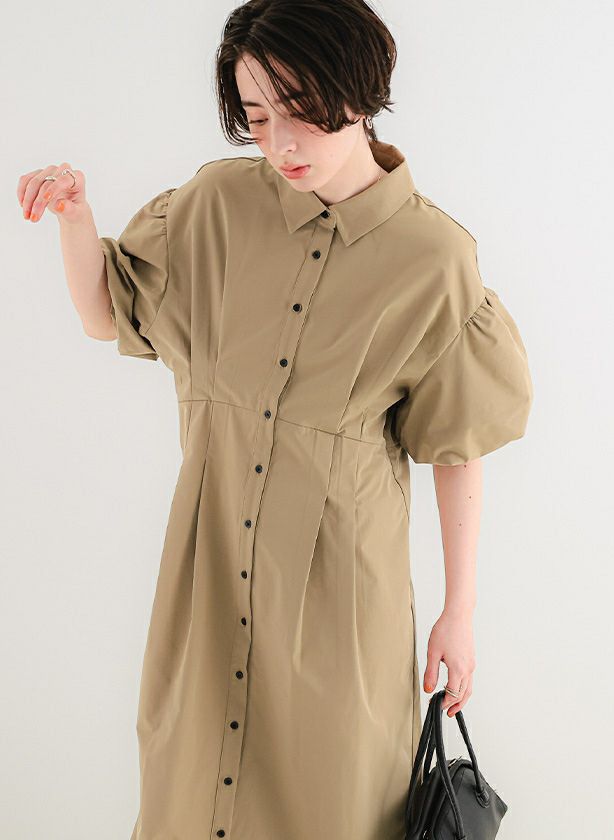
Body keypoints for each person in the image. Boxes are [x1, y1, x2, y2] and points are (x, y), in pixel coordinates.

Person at [16, 1, 533, 838]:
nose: (280, 142)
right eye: (257, 117)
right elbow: (107, 313)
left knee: (333, 805)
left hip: (341, 606)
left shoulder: (433, 258)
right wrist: (76, 220)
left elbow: (456, 445)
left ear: (359, 90)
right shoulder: (214, 207)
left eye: (300, 110)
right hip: (208, 582)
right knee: (190, 801)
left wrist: (459, 611)